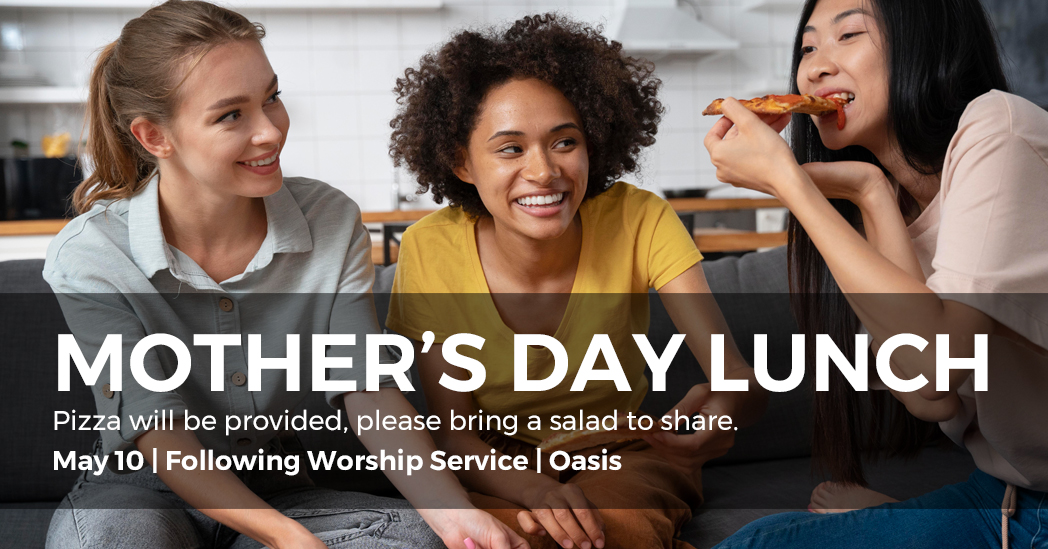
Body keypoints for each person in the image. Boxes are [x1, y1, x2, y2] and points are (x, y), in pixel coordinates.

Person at [42, 2, 525, 548]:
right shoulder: (92, 254)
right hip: (140, 492)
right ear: (154, 136)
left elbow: (366, 387)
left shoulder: (330, 219)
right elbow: (157, 430)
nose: (271, 131)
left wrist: (453, 515)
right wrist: (283, 536)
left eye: (271, 97)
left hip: (285, 487)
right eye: (232, 115)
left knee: (420, 538)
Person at [704, 0, 1048, 547]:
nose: (815, 67)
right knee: (762, 536)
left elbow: (935, 368)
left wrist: (789, 183)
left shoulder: (1001, 130)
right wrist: (870, 193)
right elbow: (925, 397)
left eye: (849, 35)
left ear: (926, 44)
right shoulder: (895, 199)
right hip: (1005, 498)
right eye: (808, 46)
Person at [385, 14, 768, 549]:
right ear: (461, 162)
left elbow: (739, 382)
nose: (544, 172)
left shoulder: (640, 219)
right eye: (510, 148)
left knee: (611, 530)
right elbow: (457, 438)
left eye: (564, 142)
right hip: (498, 464)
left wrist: (727, 408)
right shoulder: (430, 249)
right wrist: (536, 489)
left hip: (624, 453)